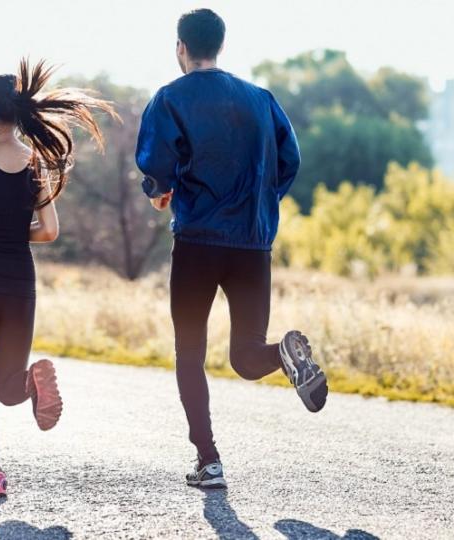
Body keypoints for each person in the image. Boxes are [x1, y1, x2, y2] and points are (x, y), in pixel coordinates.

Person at [135, 8, 329, 490]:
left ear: (180, 47)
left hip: (198, 241)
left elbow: (158, 167)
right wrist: (258, 203)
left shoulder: (169, 98)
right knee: (245, 356)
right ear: (220, 45)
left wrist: (161, 189)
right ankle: (284, 355)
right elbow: (290, 160)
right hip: (252, 243)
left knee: (189, 353)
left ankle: (209, 460)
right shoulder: (261, 99)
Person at [0, 59, 116, 498]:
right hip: (19, 282)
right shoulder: (37, 161)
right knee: (6, 388)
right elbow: (48, 231)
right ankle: (30, 382)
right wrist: (10, 228)